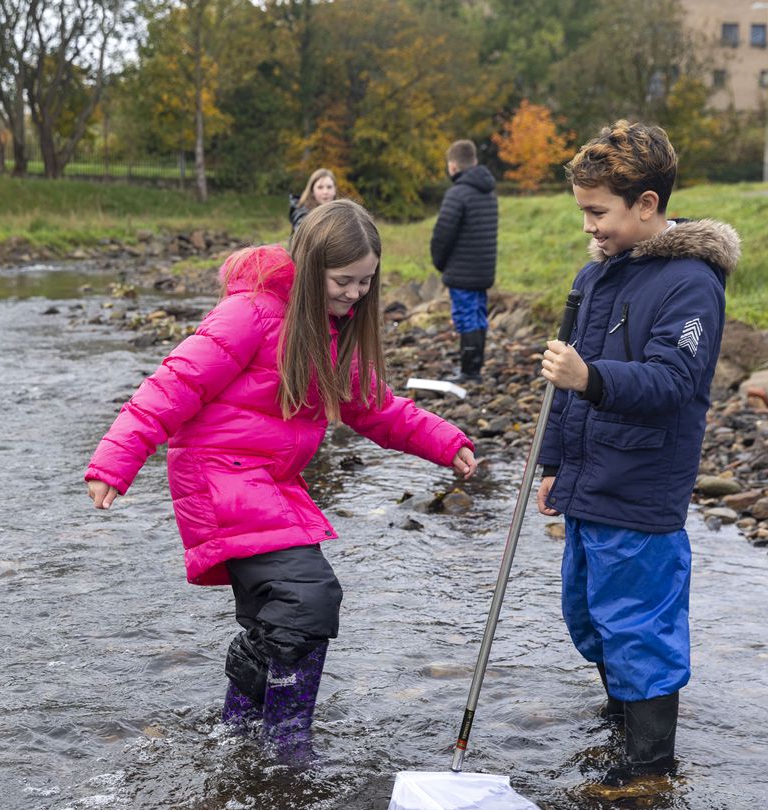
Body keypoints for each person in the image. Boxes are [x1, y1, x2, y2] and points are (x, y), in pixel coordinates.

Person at [85, 200, 478, 764]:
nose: (356, 294)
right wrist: (114, 463)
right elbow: (172, 386)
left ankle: (240, 729)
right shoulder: (250, 314)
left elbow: (376, 408)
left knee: (283, 614)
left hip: (267, 480)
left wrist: (447, 441)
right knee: (308, 597)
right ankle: (287, 742)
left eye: (367, 282)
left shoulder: (332, 331)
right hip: (217, 475)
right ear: (311, 264)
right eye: (344, 280)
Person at [536, 120, 741, 787]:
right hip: (590, 479)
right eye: (584, 212)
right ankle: (622, 722)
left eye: (599, 213)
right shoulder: (596, 275)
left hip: (643, 484)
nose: (589, 227)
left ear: (647, 205)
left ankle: (649, 765)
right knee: (588, 614)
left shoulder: (691, 285)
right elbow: (566, 390)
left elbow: (674, 381)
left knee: (637, 626)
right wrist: (553, 464)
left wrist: (589, 379)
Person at [429, 140, 498, 383]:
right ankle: (475, 368)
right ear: (475, 162)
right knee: (478, 315)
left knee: (466, 316)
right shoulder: (488, 192)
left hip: (462, 270)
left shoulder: (457, 194)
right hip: (482, 269)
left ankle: (469, 372)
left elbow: (442, 235)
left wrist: (439, 263)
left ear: (453, 166)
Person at [288, 168, 337, 234]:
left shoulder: (341, 211)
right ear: (312, 191)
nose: (325, 192)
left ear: (335, 190)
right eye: (320, 187)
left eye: (329, 187)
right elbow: (303, 233)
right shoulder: (302, 211)